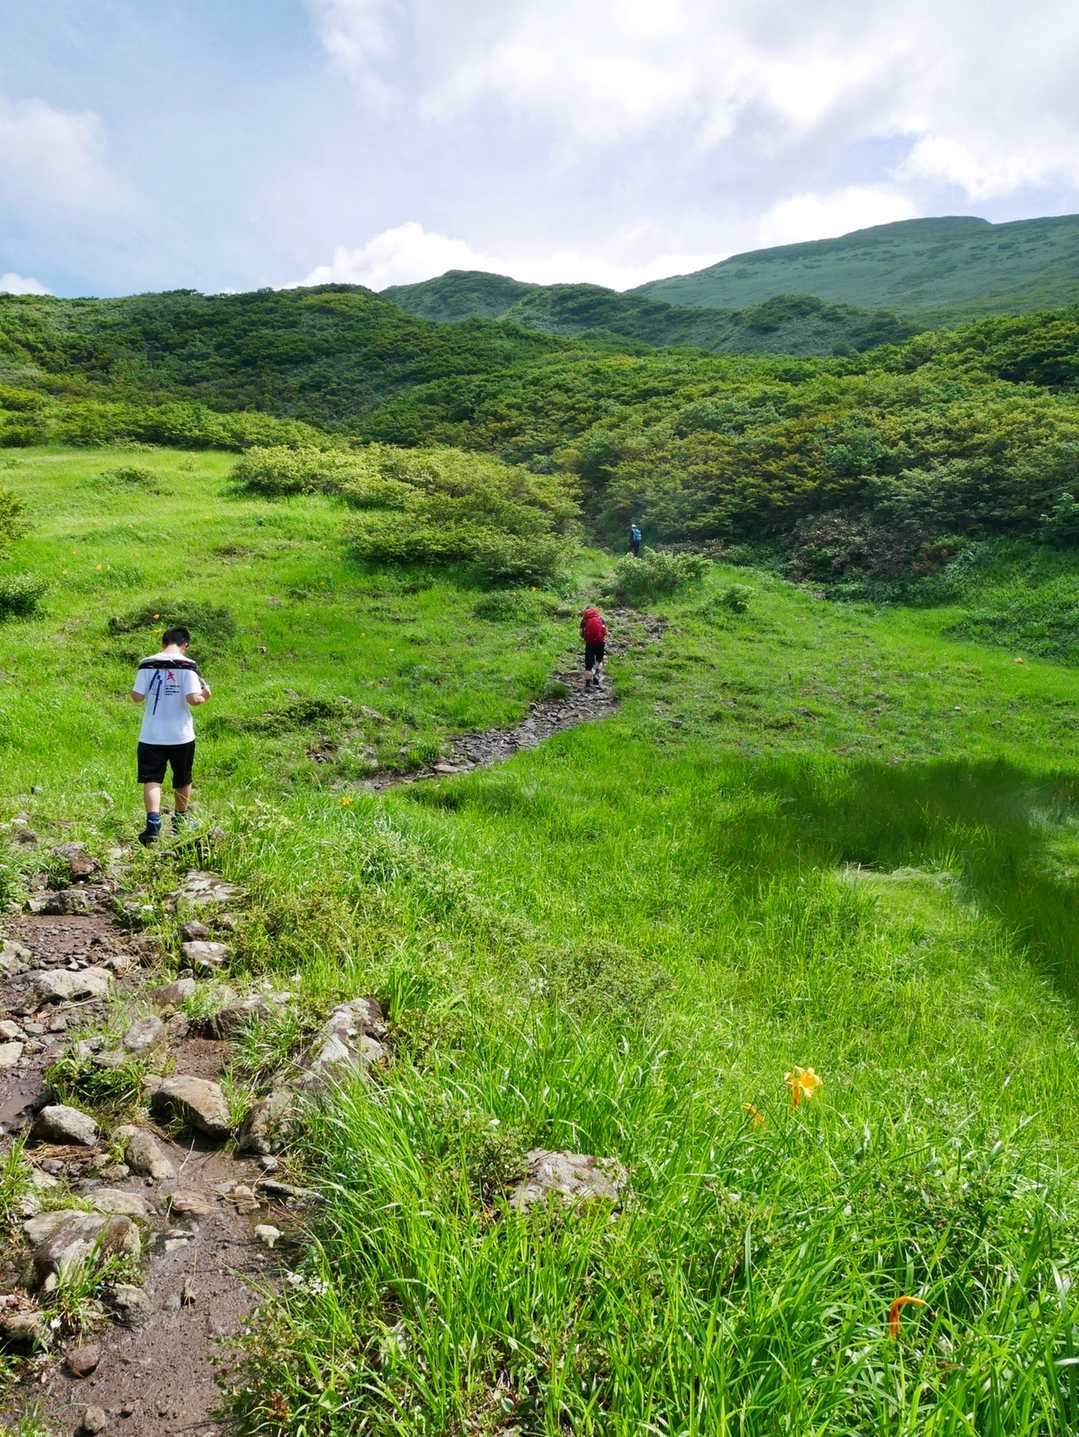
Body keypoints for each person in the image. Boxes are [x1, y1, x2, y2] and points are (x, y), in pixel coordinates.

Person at [130, 625, 211, 845]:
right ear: (186, 644)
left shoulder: (147, 663)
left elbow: (136, 696)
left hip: (151, 734)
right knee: (182, 777)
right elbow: (194, 699)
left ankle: (153, 822)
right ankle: (180, 821)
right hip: (181, 735)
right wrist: (205, 695)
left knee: (152, 778)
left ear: (163, 642)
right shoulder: (188, 666)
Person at [580, 606, 608, 689]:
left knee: (588, 664)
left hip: (589, 643)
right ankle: (596, 675)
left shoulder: (584, 620)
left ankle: (588, 683)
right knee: (599, 660)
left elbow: (581, 633)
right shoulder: (600, 618)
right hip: (600, 643)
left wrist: (586, 638)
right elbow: (605, 632)